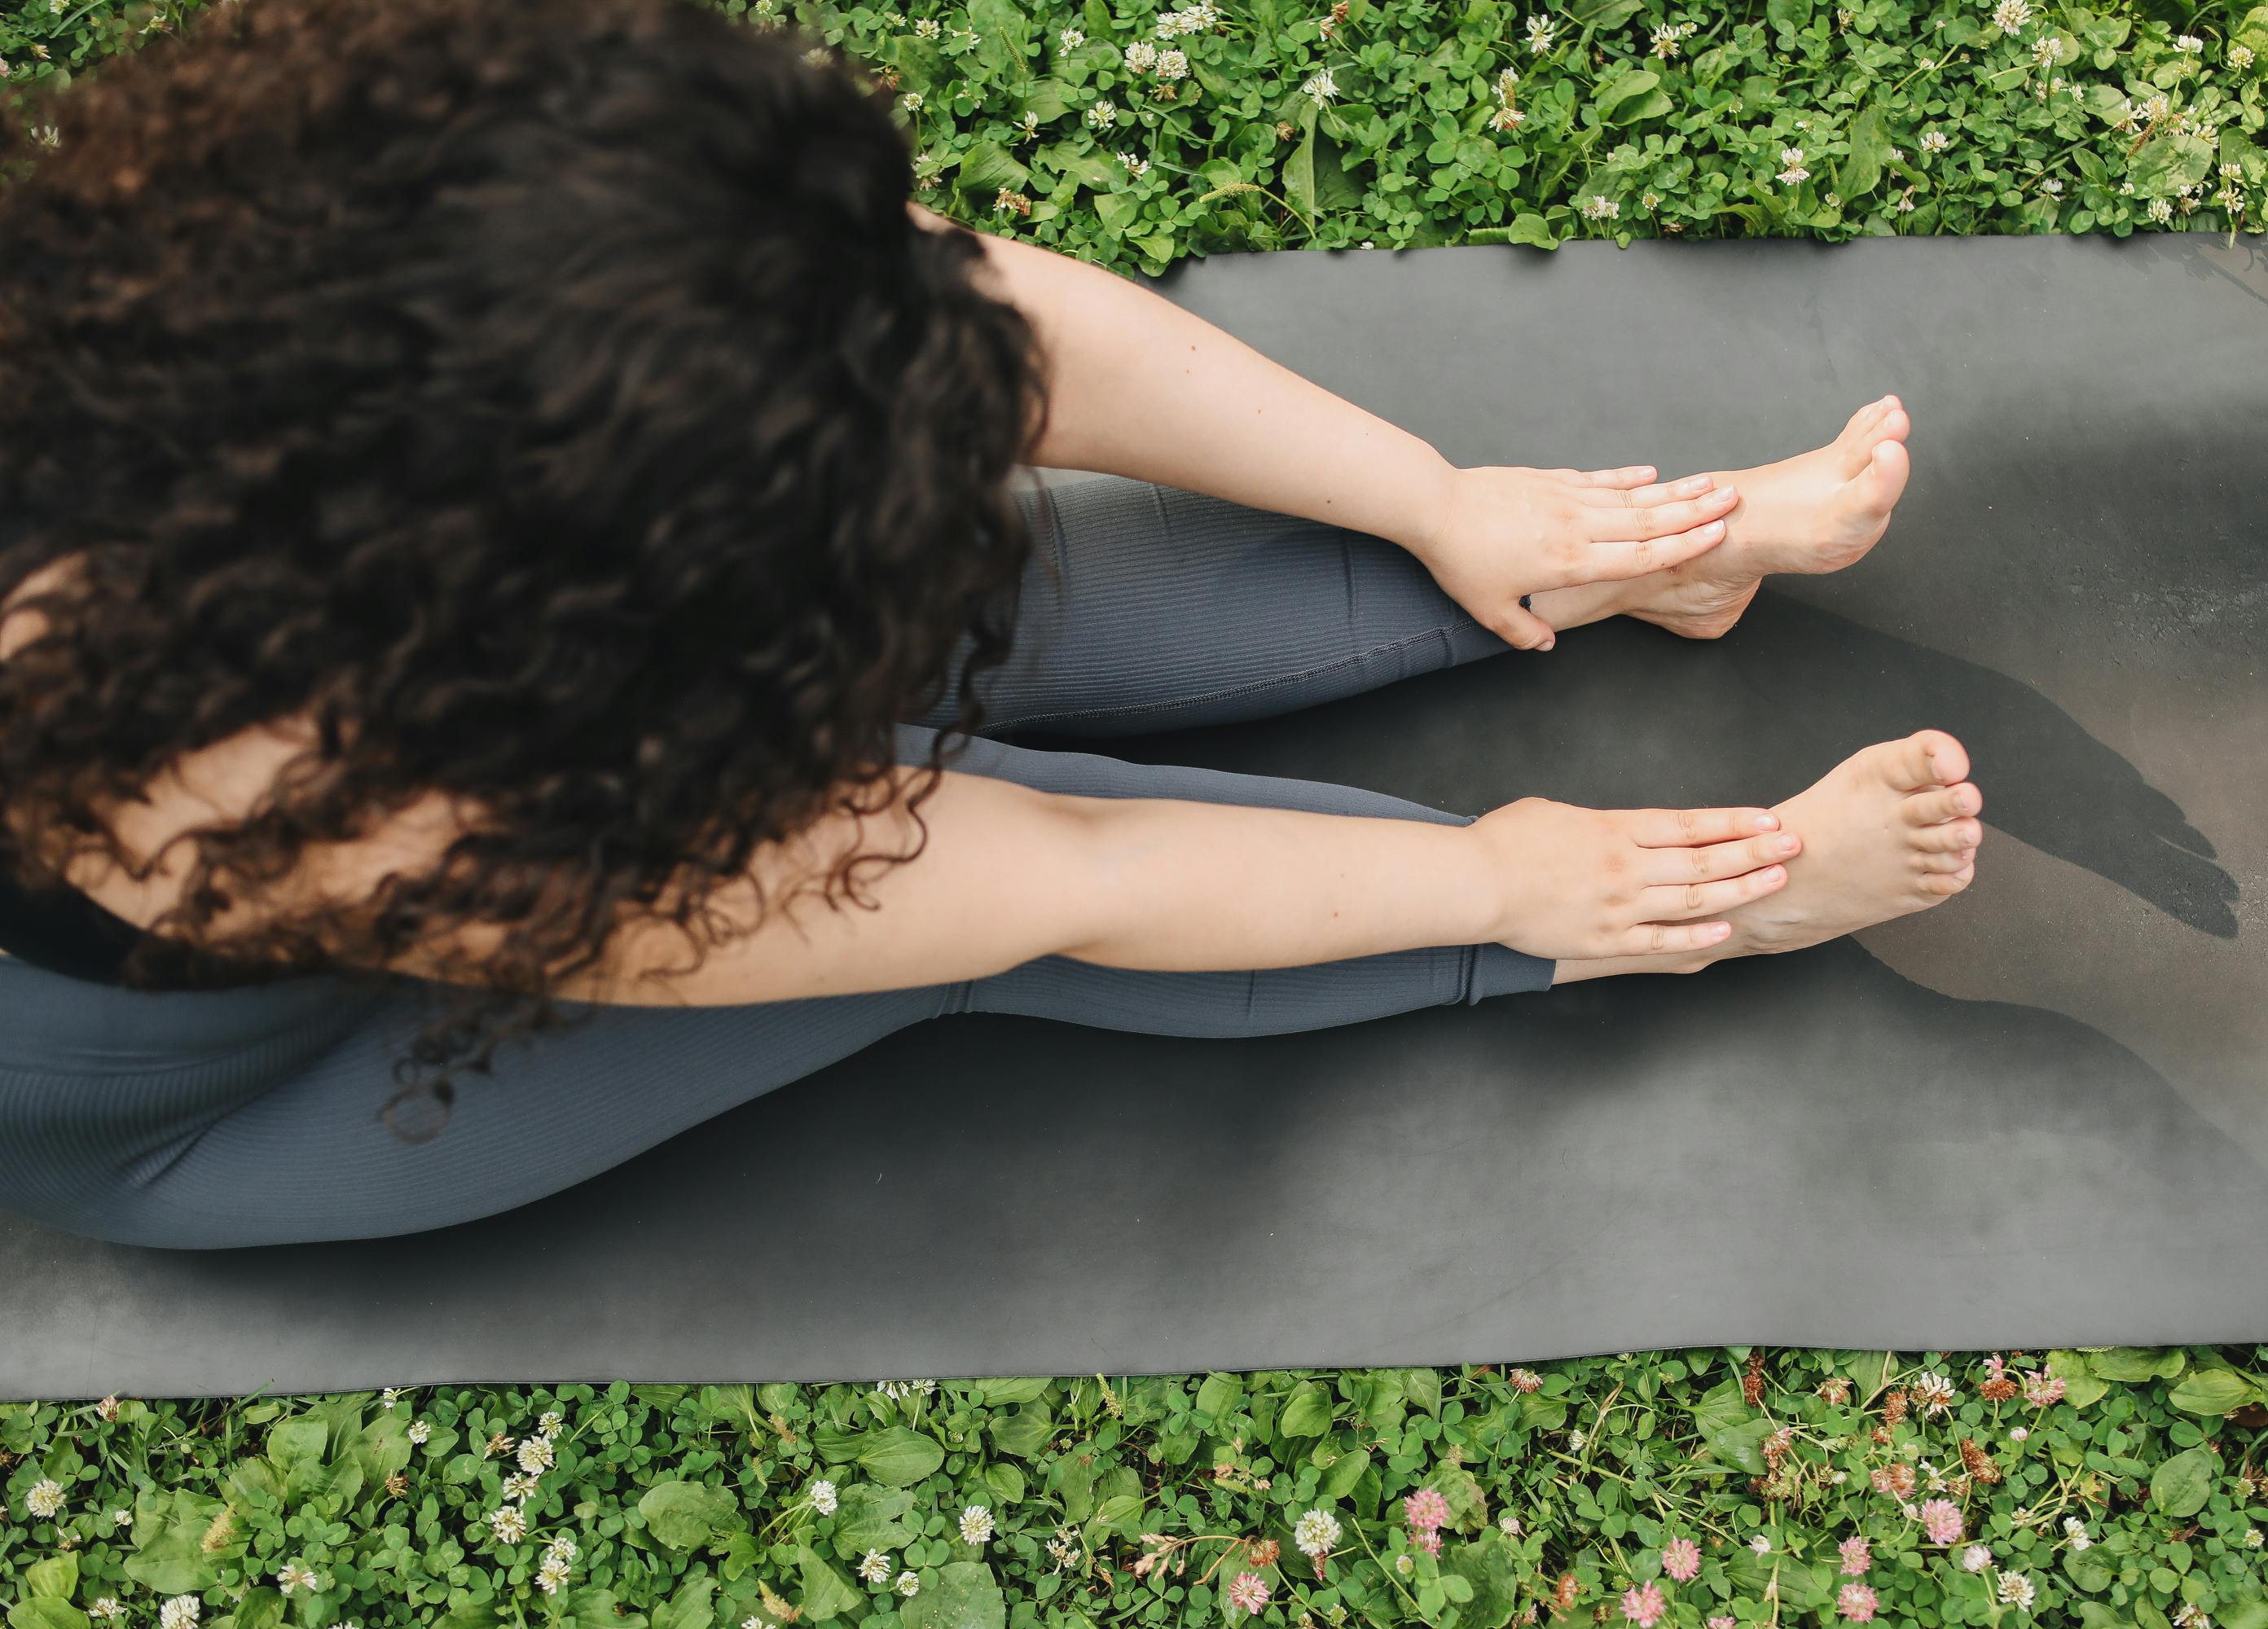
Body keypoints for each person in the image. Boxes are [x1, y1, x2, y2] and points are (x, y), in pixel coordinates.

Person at [0, 0, 1981, 1248]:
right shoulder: (287, 795)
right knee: (910, 908)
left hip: (426, 692)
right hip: (212, 1098)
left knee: (965, 571)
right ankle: (1696, 899)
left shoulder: (425, 287)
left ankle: (1603, 561)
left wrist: (1437, 498)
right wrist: (1501, 881)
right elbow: (1053, 870)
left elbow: (966, 325)